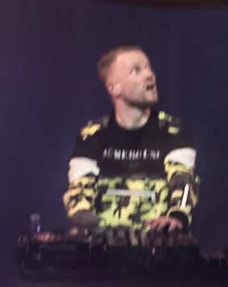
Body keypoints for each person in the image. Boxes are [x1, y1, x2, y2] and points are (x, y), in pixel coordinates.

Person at [64, 44, 198, 234]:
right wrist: (93, 231)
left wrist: (176, 217)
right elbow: (79, 193)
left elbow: (184, 182)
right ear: (114, 88)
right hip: (103, 245)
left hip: (159, 243)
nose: (149, 75)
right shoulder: (92, 134)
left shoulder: (173, 130)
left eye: (149, 67)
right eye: (136, 70)